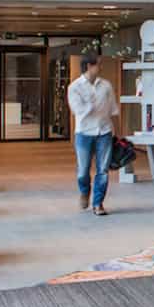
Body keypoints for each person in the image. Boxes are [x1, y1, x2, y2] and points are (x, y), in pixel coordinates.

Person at [67, 52, 119, 215]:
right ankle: (84, 191)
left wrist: (117, 131)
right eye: (98, 64)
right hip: (84, 133)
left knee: (103, 170)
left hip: (104, 131)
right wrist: (90, 104)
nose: (101, 67)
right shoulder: (74, 87)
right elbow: (77, 110)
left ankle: (98, 203)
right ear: (89, 66)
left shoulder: (106, 86)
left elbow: (113, 109)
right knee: (83, 171)